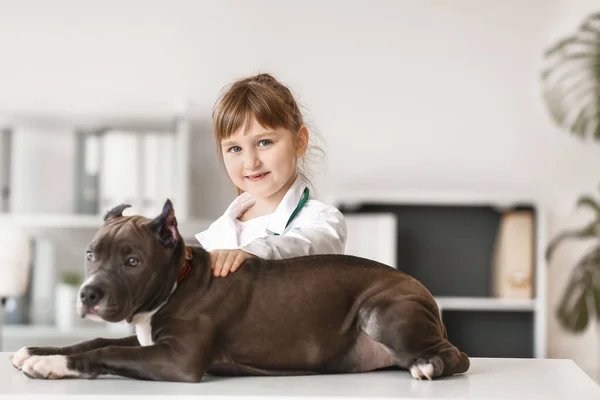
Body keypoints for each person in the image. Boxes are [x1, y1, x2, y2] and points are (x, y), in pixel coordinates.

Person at [195, 73, 347, 278]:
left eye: (264, 142)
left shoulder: (322, 222)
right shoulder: (216, 235)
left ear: (299, 141)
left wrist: (251, 253)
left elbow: (302, 246)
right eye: (235, 148)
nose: (251, 162)